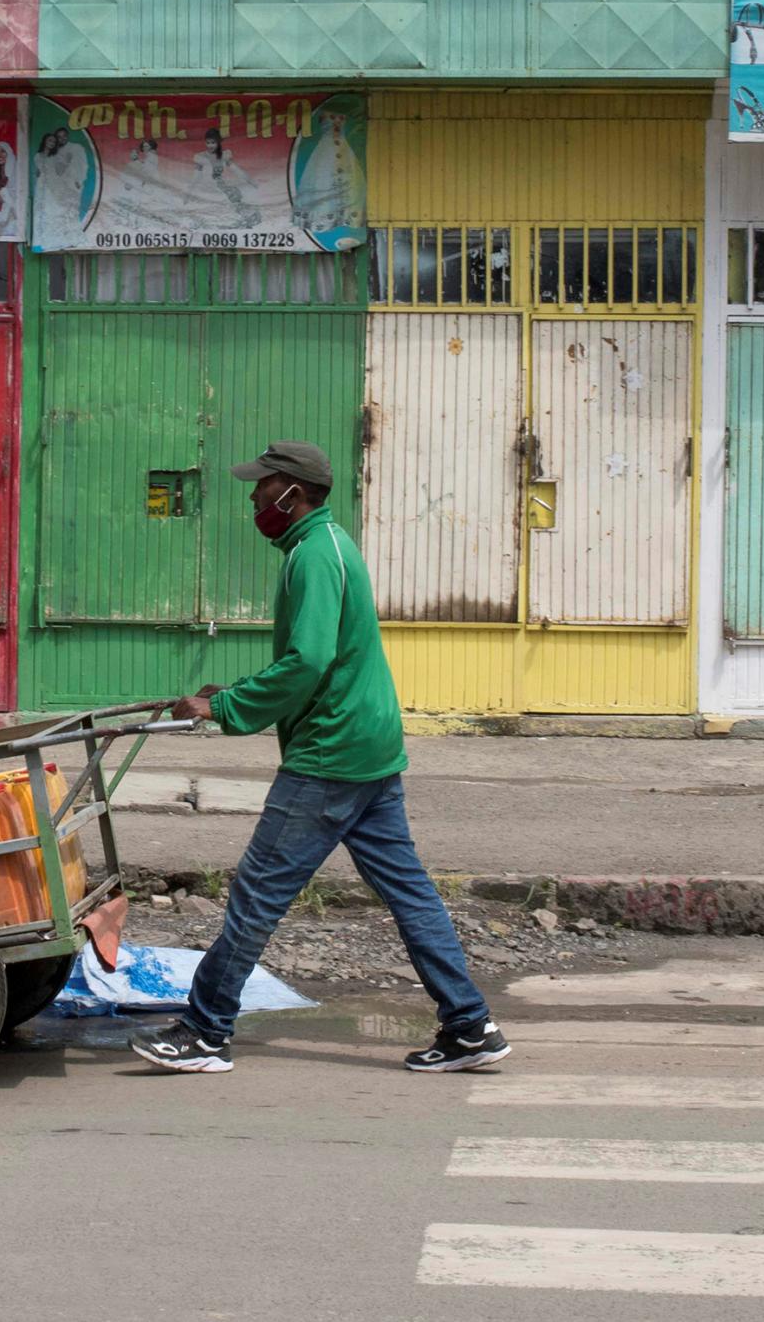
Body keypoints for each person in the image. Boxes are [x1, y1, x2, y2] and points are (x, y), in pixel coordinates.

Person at [131, 441, 508, 1076]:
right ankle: (469, 1026)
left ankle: (204, 1031)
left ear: (291, 493)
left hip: (330, 756)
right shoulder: (325, 547)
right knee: (410, 894)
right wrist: (238, 694)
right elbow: (313, 660)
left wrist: (226, 710)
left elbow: (308, 662)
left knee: (256, 895)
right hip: (368, 747)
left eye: (262, 486)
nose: (252, 497)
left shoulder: (312, 556)